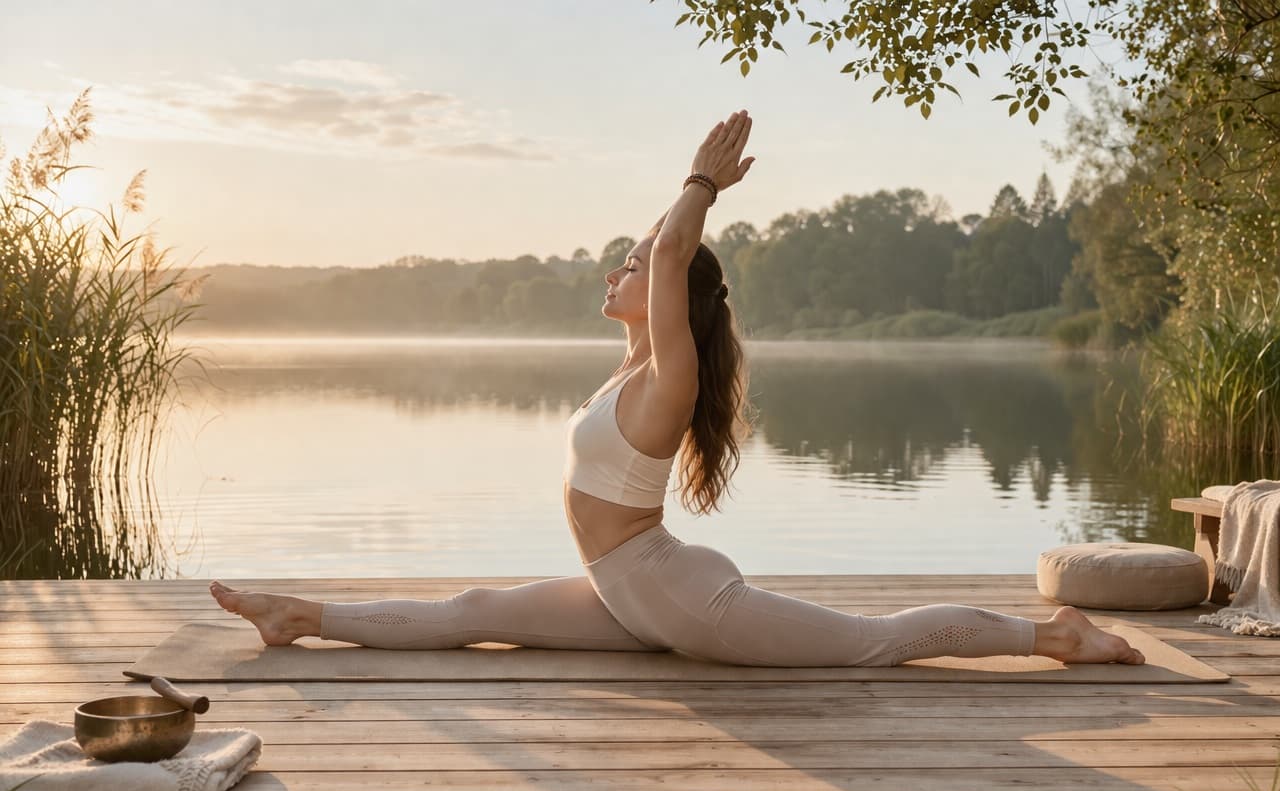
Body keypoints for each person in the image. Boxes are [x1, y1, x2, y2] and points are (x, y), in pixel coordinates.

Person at [210, 110, 1144, 668]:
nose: (615, 272)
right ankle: (298, 616)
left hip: (684, 600)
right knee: (473, 612)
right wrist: (683, 203)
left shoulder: (669, 373)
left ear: (665, 297)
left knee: (872, 643)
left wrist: (700, 182)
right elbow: (665, 250)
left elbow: (668, 252)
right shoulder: (628, 367)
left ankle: (1050, 637)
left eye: (630, 266)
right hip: (624, 587)